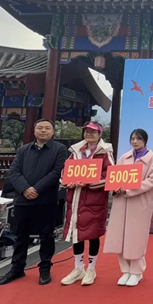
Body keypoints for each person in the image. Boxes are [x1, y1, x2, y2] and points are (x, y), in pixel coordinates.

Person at [0, 119, 68, 286]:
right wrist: (25, 189)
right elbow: (14, 171)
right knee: (20, 235)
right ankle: (17, 268)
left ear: (53, 132)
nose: (43, 131)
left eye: (47, 128)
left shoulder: (59, 149)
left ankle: (45, 269)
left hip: (46, 199)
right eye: (40, 128)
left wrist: (36, 189)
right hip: (23, 198)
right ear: (34, 131)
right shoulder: (24, 149)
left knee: (46, 235)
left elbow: (57, 172)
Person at [61, 122, 114, 286]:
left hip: (94, 200)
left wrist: (90, 182)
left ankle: (91, 268)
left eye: (93, 132)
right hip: (76, 199)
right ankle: (78, 268)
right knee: (76, 234)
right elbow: (65, 171)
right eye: (86, 131)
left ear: (100, 134)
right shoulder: (76, 151)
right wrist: (67, 182)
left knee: (92, 233)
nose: (89, 134)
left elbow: (110, 174)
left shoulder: (104, 152)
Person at [104, 129, 153, 286]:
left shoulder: (152, 159)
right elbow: (115, 177)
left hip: (139, 203)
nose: (135, 141)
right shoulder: (124, 157)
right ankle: (125, 271)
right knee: (120, 237)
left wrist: (129, 190)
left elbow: (151, 181)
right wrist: (116, 188)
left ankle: (136, 272)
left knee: (135, 238)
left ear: (145, 141)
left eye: (138, 139)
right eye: (133, 138)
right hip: (122, 203)